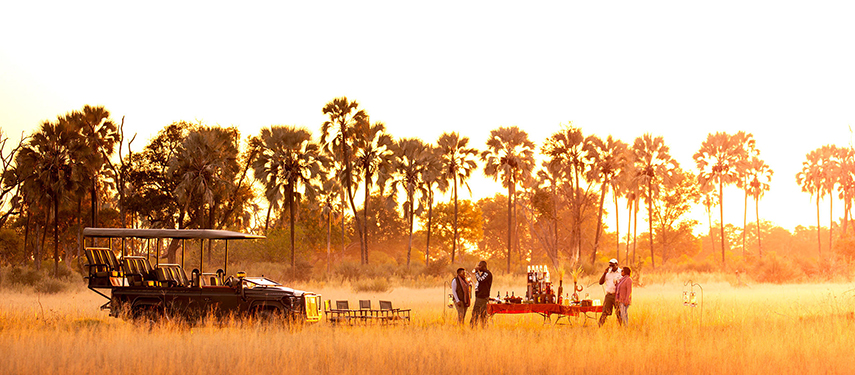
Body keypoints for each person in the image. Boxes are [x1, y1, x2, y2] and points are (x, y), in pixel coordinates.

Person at [598, 258, 622, 326]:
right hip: (609, 295)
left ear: (617, 264)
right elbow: (600, 282)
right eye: (610, 265)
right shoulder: (608, 273)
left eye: (613, 265)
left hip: (617, 295)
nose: (611, 267)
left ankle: (621, 326)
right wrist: (604, 273)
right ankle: (600, 325)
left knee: (618, 312)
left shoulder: (620, 273)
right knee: (605, 312)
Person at [469, 260, 493, 328]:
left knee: (476, 312)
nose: (478, 267)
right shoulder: (483, 273)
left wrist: (476, 272)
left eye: (480, 266)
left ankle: (473, 326)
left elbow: (480, 280)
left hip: (482, 297)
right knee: (483, 314)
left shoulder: (487, 273)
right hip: (481, 296)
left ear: (484, 266)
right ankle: (484, 327)